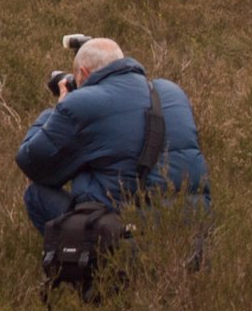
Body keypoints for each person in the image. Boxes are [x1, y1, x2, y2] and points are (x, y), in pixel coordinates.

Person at [16, 37, 209, 232]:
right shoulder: (172, 92)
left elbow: (31, 162)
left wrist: (57, 110)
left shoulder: (82, 103)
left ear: (83, 73)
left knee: (37, 194)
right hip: (192, 224)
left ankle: (83, 253)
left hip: (128, 230)